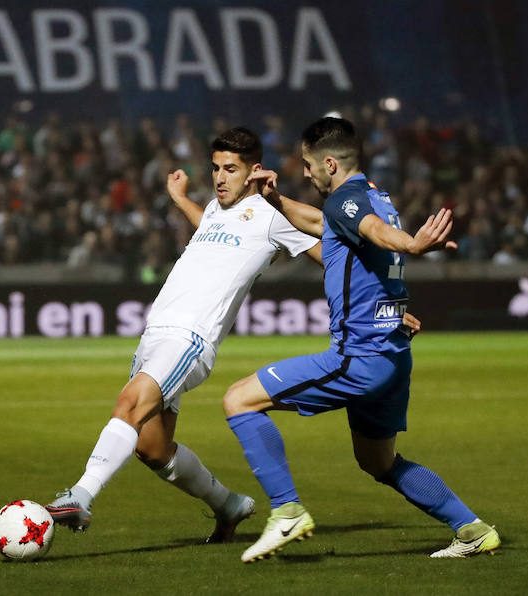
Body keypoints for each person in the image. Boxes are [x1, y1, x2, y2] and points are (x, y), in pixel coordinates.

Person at [46, 127, 422, 542]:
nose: (220, 177)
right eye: (215, 168)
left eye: (231, 169)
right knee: (150, 448)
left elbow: (331, 257)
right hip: (155, 332)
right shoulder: (212, 209)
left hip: (190, 337)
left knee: (129, 404)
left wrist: (377, 307)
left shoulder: (273, 216)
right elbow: (212, 231)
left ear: (254, 171)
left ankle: (80, 495)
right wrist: (181, 201)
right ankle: (229, 505)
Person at [224, 117, 499, 562]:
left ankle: (287, 511)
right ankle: (471, 528)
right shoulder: (374, 195)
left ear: (329, 163)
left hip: (360, 359)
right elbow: (323, 222)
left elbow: (373, 231)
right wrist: (274, 199)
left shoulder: (352, 204)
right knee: (378, 462)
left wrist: (410, 245)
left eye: (309, 165)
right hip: (392, 356)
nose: (306, 173)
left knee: (239, 399)